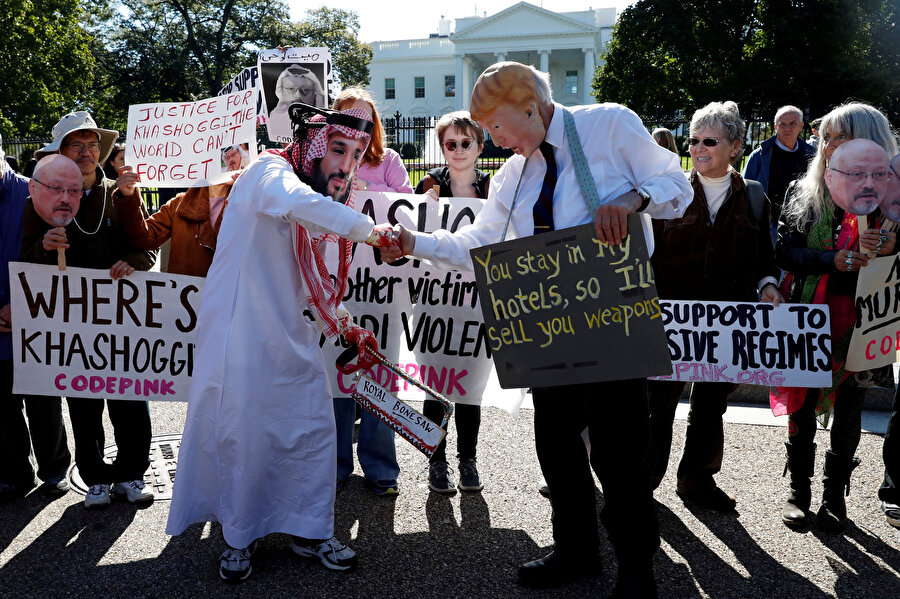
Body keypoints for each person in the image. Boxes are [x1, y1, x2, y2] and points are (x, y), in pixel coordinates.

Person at [380, 62, 693, 598]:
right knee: (555, 443)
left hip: (612, 315)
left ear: (530, 107)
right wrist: (413, 243)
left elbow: (676, 182)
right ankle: (577, 552)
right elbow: (475, 243)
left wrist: (631, 199)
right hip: (545, 326)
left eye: (497, 128)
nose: (493, 142)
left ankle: (637, 567)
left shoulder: (608, 125)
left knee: (619, 451)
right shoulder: (512, 175)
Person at [165, 104, 397, 582]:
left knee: (309, 429)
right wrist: (373, 231)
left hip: (293, 334)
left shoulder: (319, 198)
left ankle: (310, 532)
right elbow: (292, 201)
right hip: (241, 335)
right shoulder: (269, 171)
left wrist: (345, 322)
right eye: (338, 150)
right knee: (243, 435)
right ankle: (238, 538)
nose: (347, 165)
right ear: (313, 145)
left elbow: (317, 280)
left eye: (356, 155)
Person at [646, 102, 782, 512]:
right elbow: (645, 256)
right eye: (693, 140)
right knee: (655, 407)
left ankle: (696, 480)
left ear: (735, 147)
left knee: (710, 406)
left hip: (725, 324)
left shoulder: (756, 198)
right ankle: (642, 484)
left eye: (710, 141)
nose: (699, 149)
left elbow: (764, 258)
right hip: (669, 322)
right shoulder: (669, 193)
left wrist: (769, 284)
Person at [22, 112, 158, 509]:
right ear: (60, 153)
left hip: (122, 318)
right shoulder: (40, 201)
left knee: (130, 398)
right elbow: (25, 261)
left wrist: (132, 261)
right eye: (76, 145)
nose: (86, 152)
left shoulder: (122, 195)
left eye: (93, 144)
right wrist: (44, 247)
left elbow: (147, 247)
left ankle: (132, 473)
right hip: (70, 320)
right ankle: (95, 476)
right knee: (83, 401)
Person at [775, 101, 899, 532]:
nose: (829, 145)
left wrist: (887, 249)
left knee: (851, 407)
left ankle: (834, 497)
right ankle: (799, 491)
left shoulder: (890, 198)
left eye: (840, 136)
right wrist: (834, 259)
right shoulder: (803, 191)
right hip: (809, 313)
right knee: (801, 403)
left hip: (862, 319)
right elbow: (785, 252)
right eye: (825, 136)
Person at [329, 87, 411, 496]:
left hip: (385, 291)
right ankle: (337, 466)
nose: (356, 126)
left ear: (374, 126)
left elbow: (409, 212)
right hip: (338, 291)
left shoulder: (390, 162)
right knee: (338, 378)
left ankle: (381, 469)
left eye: (364, 118)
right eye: (346, 117)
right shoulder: (325, 165)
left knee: (380, 376)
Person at [413, 111, 490, 494]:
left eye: (466, 143)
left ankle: (468, 460)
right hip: (435, 303)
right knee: (435, 388)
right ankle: (437, 462)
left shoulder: (492, 191)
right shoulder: (428, 186)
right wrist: (419, 207)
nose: (458, 150)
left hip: (477, 304)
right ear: (442, 147)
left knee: (470, 388)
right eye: (450, 144)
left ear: (479, 146)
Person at [0, 138, 71, 502]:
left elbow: (55, 256)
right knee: (2, 405)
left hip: (34, 313)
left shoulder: (33, 192)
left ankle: (55, 468)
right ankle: (14, 473)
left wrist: (18, 302)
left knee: (43, 397)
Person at [743, 106, 816, 237]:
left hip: (800, 225)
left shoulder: (811, 155)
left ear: (801, 126)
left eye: (793, 124)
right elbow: (744, 190)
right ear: (775, 127)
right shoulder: (759, 156)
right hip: (767, 225)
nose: (787, 129)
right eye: (782, 124)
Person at [334, 87, 413, 194]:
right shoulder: (324, 161)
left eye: (365, 120)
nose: (358, 127)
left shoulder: (389, 158)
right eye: (351, 118)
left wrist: (364, 186)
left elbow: (407, 198)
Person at [824, 138, 891, 215]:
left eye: (880, 174)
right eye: (857, 174)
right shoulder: (814, 213)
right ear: (829, 178)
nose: (869, 185)